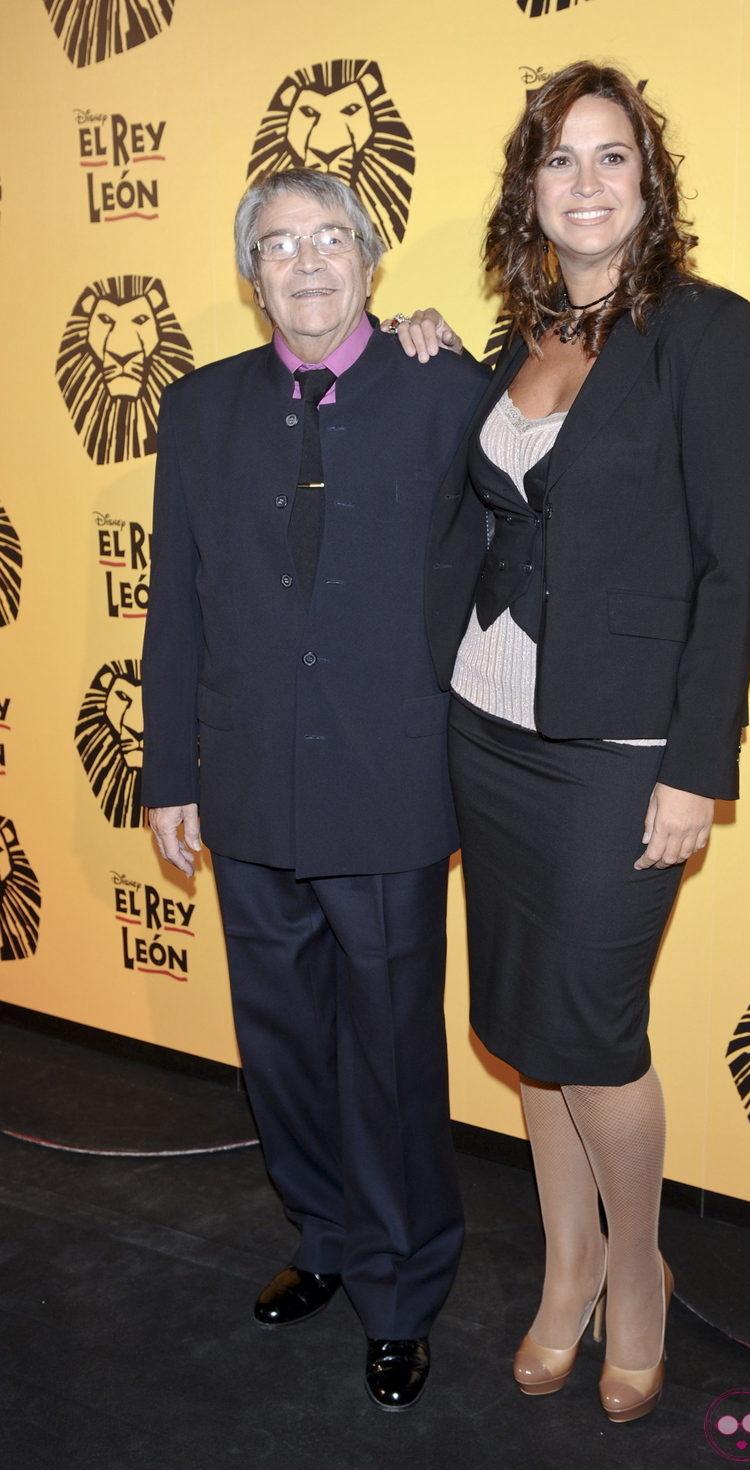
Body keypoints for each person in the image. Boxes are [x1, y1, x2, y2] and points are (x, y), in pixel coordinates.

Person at [419, 62, 750, 1423]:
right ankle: (564, 1266)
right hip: (487, 729)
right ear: (531, 187)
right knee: (525, 1030)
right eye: (560, 160)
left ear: (649, 179)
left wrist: (697, 764)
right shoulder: (518, 341)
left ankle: (639, 1270)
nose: (586, 182)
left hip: (622, 746)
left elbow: (726, 569)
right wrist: (424, 353)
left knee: (596, 1033)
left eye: (611, 156)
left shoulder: (705, 332)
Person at [141, 167, 487, 1412]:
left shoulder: (447, 387)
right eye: (278, 245)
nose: (305, 263)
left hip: (390, 783)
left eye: (329, 237)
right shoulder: (196, 407)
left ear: (371, 258)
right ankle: (326, 1240)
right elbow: (173, 600)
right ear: (251, 274)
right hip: (240, 782)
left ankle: (401, 1290)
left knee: (391, 1055)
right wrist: (168, 771)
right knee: (280, 1045)